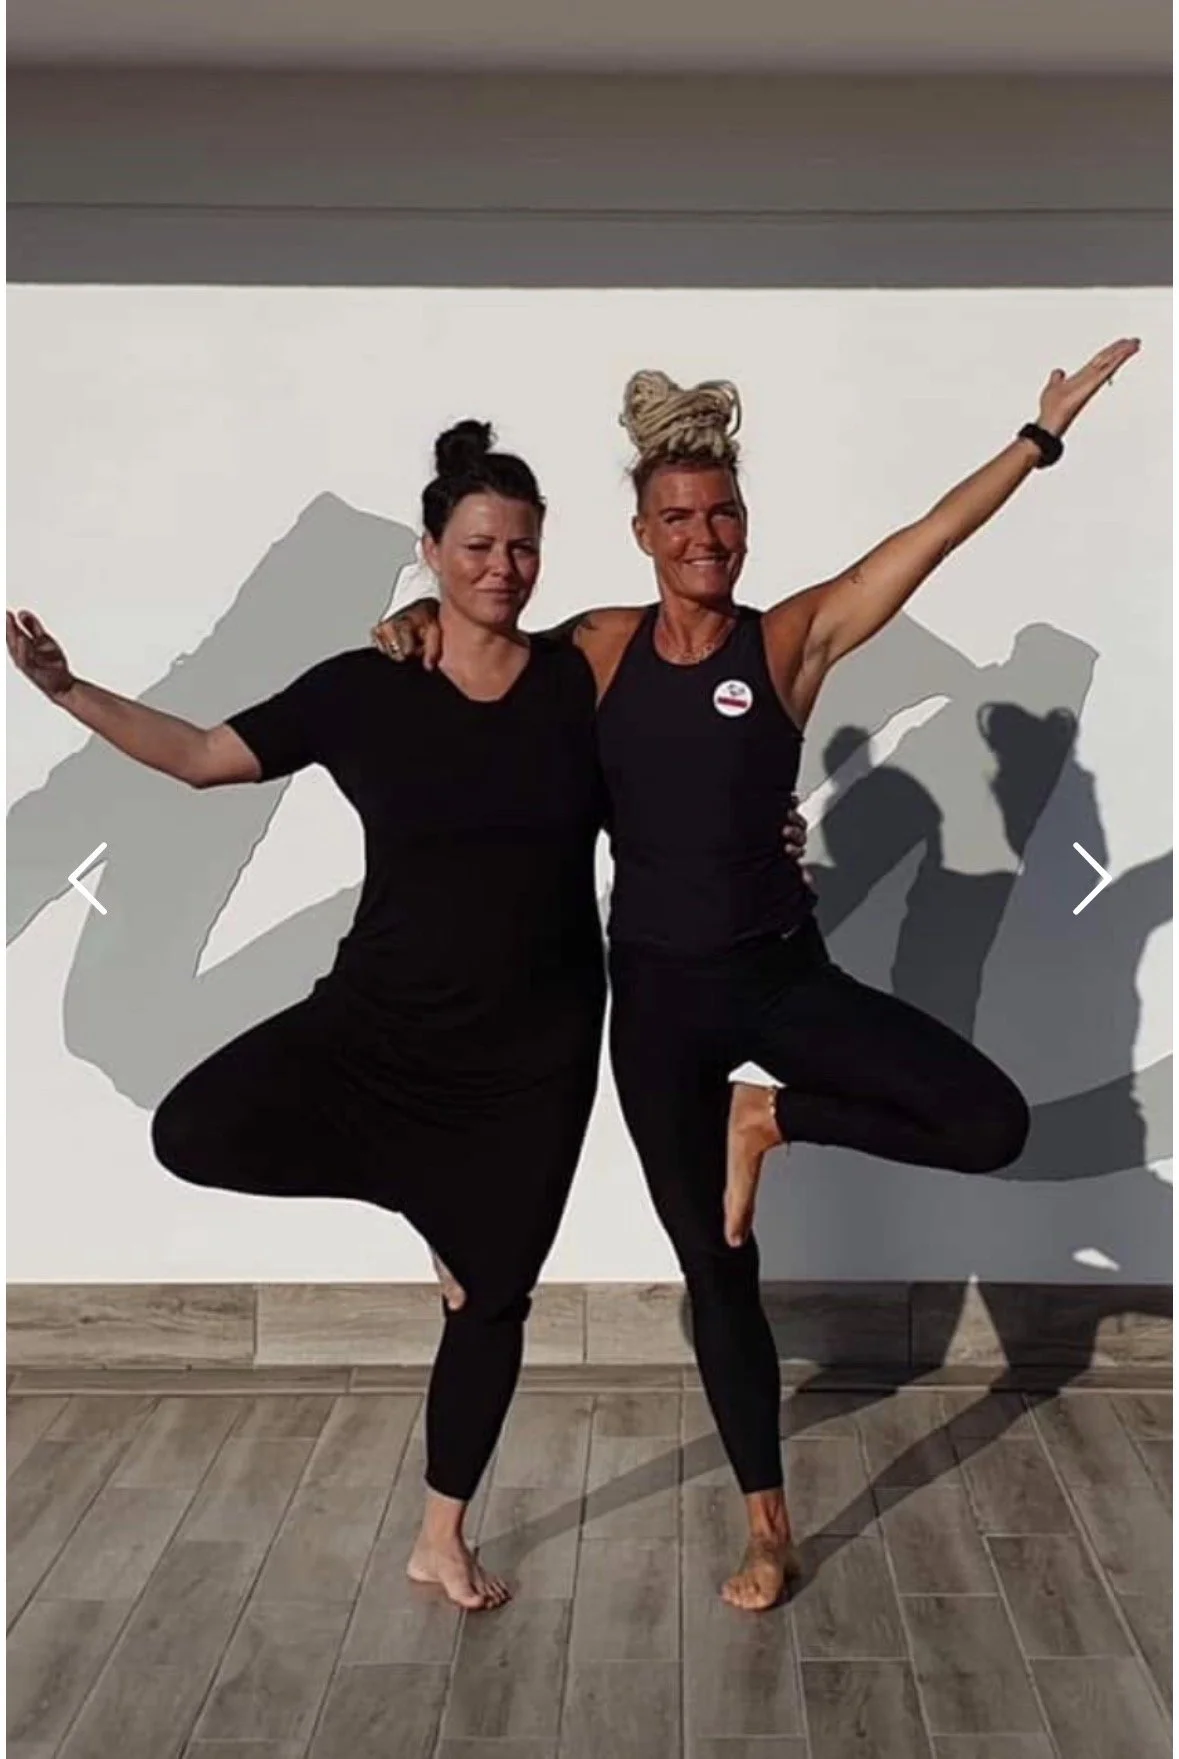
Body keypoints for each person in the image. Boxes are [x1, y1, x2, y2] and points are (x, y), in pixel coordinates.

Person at [372, 336, 1141, 1610]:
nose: (703, 533)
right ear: (641, 530)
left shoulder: (787, 643)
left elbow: (927, 538)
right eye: (677, 515)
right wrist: (410, 620)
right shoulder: (602, 649)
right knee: (717, 1267)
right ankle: (768, 1525)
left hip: (784, 980)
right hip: (659, 1006)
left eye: (721, 512)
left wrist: (1038, 436)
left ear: (744, 521)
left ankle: (770, 1113)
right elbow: (484, 639)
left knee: (988, 1118)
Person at [6, 421, 613, 1613]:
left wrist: (777, 841)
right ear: (431, 550)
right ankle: (417, 1190)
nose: (504, 567)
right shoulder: (363, 686)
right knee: (192, 1129)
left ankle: (442, 1537)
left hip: (535, 1051)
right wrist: (67, 688)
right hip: (380, 1024)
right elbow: (200, 757)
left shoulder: (582, 686)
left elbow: (685, 774)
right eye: (480, 544)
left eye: (525, 547)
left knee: (492, 1299)